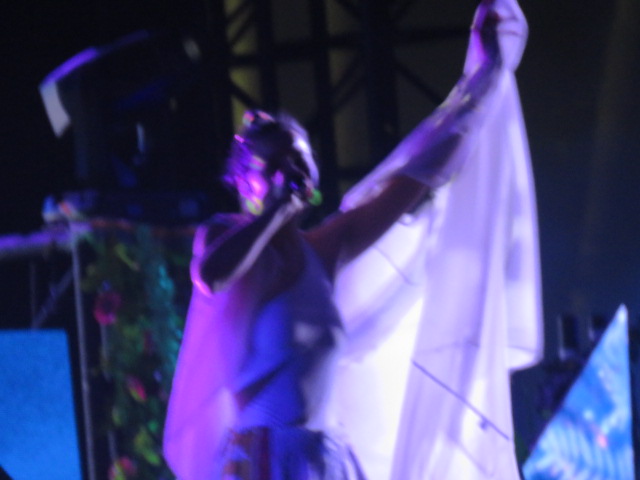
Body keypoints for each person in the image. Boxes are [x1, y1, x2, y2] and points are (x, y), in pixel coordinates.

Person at [163, 1, 526, 478]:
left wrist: (483, 78)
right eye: (275, 164)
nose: (290, 171)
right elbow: (210, 276)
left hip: (325, 457)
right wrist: (277, 211)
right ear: (246, 182)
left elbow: (418, 173)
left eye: (299, 159)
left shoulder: (325, 249)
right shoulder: (225, 236)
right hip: (263, 461)